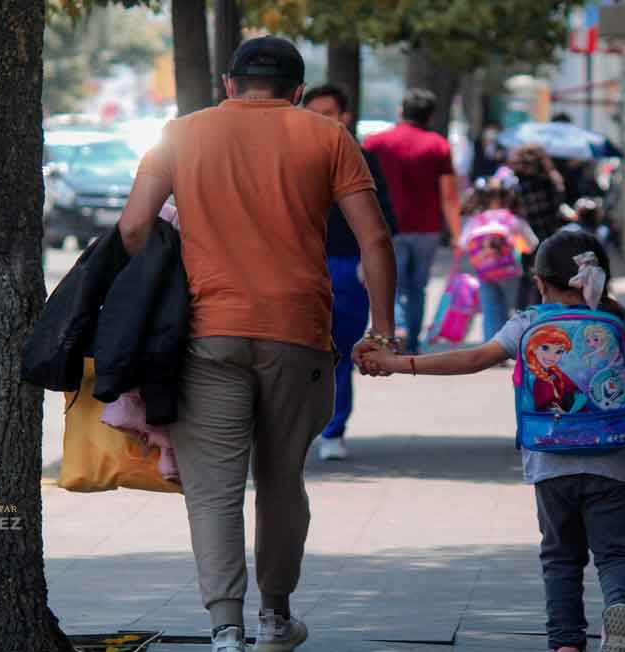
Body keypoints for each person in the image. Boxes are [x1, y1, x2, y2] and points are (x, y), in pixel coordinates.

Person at [118, 36, 398, 652]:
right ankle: (276, 617)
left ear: (228, 85)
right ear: (298, 90)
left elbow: (134, 225)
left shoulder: (180, 133)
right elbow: (374, 240)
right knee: (280, 479)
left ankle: (224, 628)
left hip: (205, 332)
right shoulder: (328, 137)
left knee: (214, 490)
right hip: (297, 332)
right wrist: (382, 329)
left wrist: (168, 283)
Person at [360, 230, 625, 652]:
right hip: (616, 461)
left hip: (551, 460)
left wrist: (396, 363)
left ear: (539, 282)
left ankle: (567, 643)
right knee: (620, 554)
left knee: (560, 558)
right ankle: (621, 605)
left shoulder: (529, 323)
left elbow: (471, 359)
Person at [302, 83, 399, 461]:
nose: (319, 122)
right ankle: (297, 426)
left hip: (345, 266)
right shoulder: (290, 158)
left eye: (326, 114)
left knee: (339, 351)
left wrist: (367, 265)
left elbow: (384, 221)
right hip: (298, 265)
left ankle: (333, 429)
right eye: (312, 114)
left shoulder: (362, 157)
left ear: (345, 117)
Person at [364, 88, 463, 354]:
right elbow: (449, 195)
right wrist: (456, 233)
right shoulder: (438, 145)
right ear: (430, 116)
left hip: (385, 225)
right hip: (426, 228)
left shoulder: (375, 143)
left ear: (400, 111)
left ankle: (397, 331)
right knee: (417, 287)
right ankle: (413, 341)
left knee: (388, 283)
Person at [459, 178, 538, 342]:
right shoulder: (512, 219)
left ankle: (491, 348)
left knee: (490, 309)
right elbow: (531, 244)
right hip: (510, 271)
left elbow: (463, 243)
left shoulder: (476, 220)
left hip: (484, 271)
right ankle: (512, 346)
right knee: (513, 310)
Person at [506, 145, 565, 308]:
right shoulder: (551, 181)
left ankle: (524, 317)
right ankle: (542, 316)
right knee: (546, 282)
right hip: (550, 237)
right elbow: (558, 205)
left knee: (526, 280)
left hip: (527, 240)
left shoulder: (516, 186)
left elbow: (511, 211)